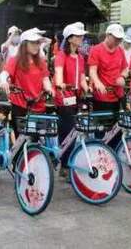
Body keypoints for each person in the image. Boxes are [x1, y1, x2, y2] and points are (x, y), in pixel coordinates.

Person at [0, 28, 54, 136]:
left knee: (37, 140)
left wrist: (49, 88)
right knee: (21, 139)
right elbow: (4, 73)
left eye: (38, 43)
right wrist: (3, 81)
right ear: (24, 44)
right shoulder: (15, 60)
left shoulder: (41, 61)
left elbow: (45, 78)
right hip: (20, 105)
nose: (36, 46)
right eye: (33, 43)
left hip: (38, 104)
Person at [54, 23, 89, 177]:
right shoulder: (62, 55)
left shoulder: (80, 57)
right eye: (78, 36)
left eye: (82, 36)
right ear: (69, 39)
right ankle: (64, 165)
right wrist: (60, 84)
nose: (82, 38)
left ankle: (66, 162)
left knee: (73, 130)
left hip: (76, 97)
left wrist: (88, 88)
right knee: (67, 129)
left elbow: (82, 78)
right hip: (63, 97)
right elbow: (58, 72)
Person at [88, 24, 128, 113]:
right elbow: (92, 71)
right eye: (116, 38)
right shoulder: (96, 50)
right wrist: (97, 82)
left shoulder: (120, 50)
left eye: (120, 39)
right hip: (102, 94)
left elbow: (125, 68)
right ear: (108, 35)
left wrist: (122, 77)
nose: (118, 41)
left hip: (118, 94)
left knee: (118, 124)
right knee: (103, 123)